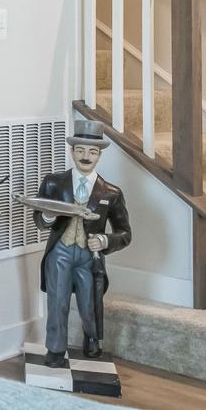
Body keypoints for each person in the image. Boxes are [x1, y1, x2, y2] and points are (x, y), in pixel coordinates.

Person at [35, 130, 132, 367]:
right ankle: (56, 349)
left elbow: (125, 233)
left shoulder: (111, 193)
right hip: (61, 251)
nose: (85, 156)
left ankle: (92, 338)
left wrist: (105, 240)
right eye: (80, 150)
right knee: (58, 301)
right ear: (72, 152)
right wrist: (47, 215)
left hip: (89, 256)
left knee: (89, 303)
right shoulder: (54, 182)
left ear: (99, 155)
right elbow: (39, 219)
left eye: (92, 152)